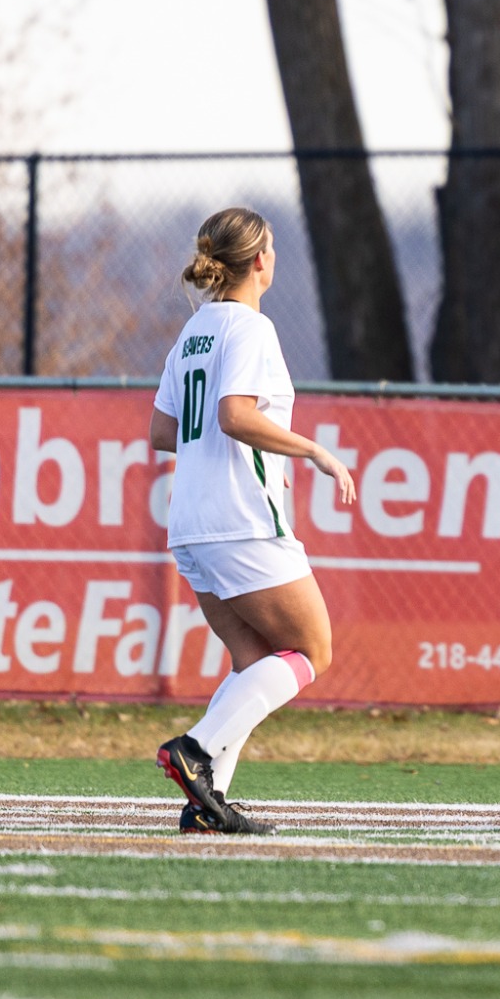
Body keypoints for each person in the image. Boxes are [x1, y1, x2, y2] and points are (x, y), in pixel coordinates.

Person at [151, 208, 356, 836]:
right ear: (259, 259)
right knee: (313, 650)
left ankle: (205, 806)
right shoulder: (251, 327)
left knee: (255, 659)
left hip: (190, 520)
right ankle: (195, 750)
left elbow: (163, 431)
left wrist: (257, 451)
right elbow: (236, 415)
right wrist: (310, 448)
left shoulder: (194, 331)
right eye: (271, 249)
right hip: (239, 519)